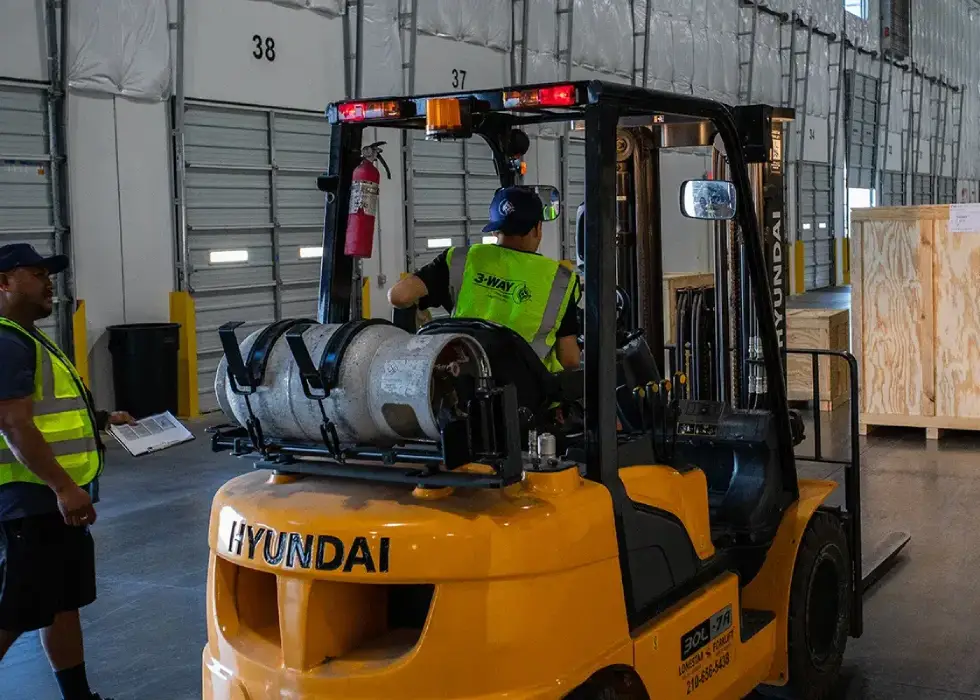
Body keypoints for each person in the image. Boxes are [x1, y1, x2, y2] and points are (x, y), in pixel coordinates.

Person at [0, 243, 132, 700]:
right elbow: (13, 423)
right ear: (4, 282)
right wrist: (62, 487)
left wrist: (102, 419)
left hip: (48, 498)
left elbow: (43, 409)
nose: (49, 283)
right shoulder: (6, 341)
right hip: (30, 499)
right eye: (36, 274)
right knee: (15, 612)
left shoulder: (26, 337)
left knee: (61, 603)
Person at [388, 186, 582, 372]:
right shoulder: (560, 279)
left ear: (494, 230)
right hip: (526, 392)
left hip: (462, 384)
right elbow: (570, 360)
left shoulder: (461, 258)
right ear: (538, 228)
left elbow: (399, 296)